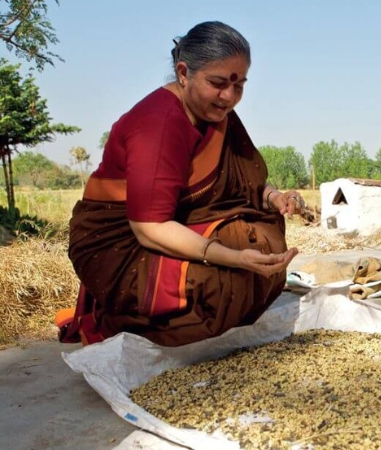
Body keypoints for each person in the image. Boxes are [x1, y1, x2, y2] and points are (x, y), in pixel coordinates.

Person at [55, 21, 303, 347]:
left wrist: (274, 198)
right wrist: (232, 257)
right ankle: (121, 321)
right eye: (217, 83)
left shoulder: (218, 114)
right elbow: (149, 227)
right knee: (229, 281)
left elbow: (244, 183)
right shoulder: (157, 123)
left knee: (261, 235)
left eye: (239, 85)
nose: (229, 97)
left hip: (178, 224)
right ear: (183, 72)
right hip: (123, 243)